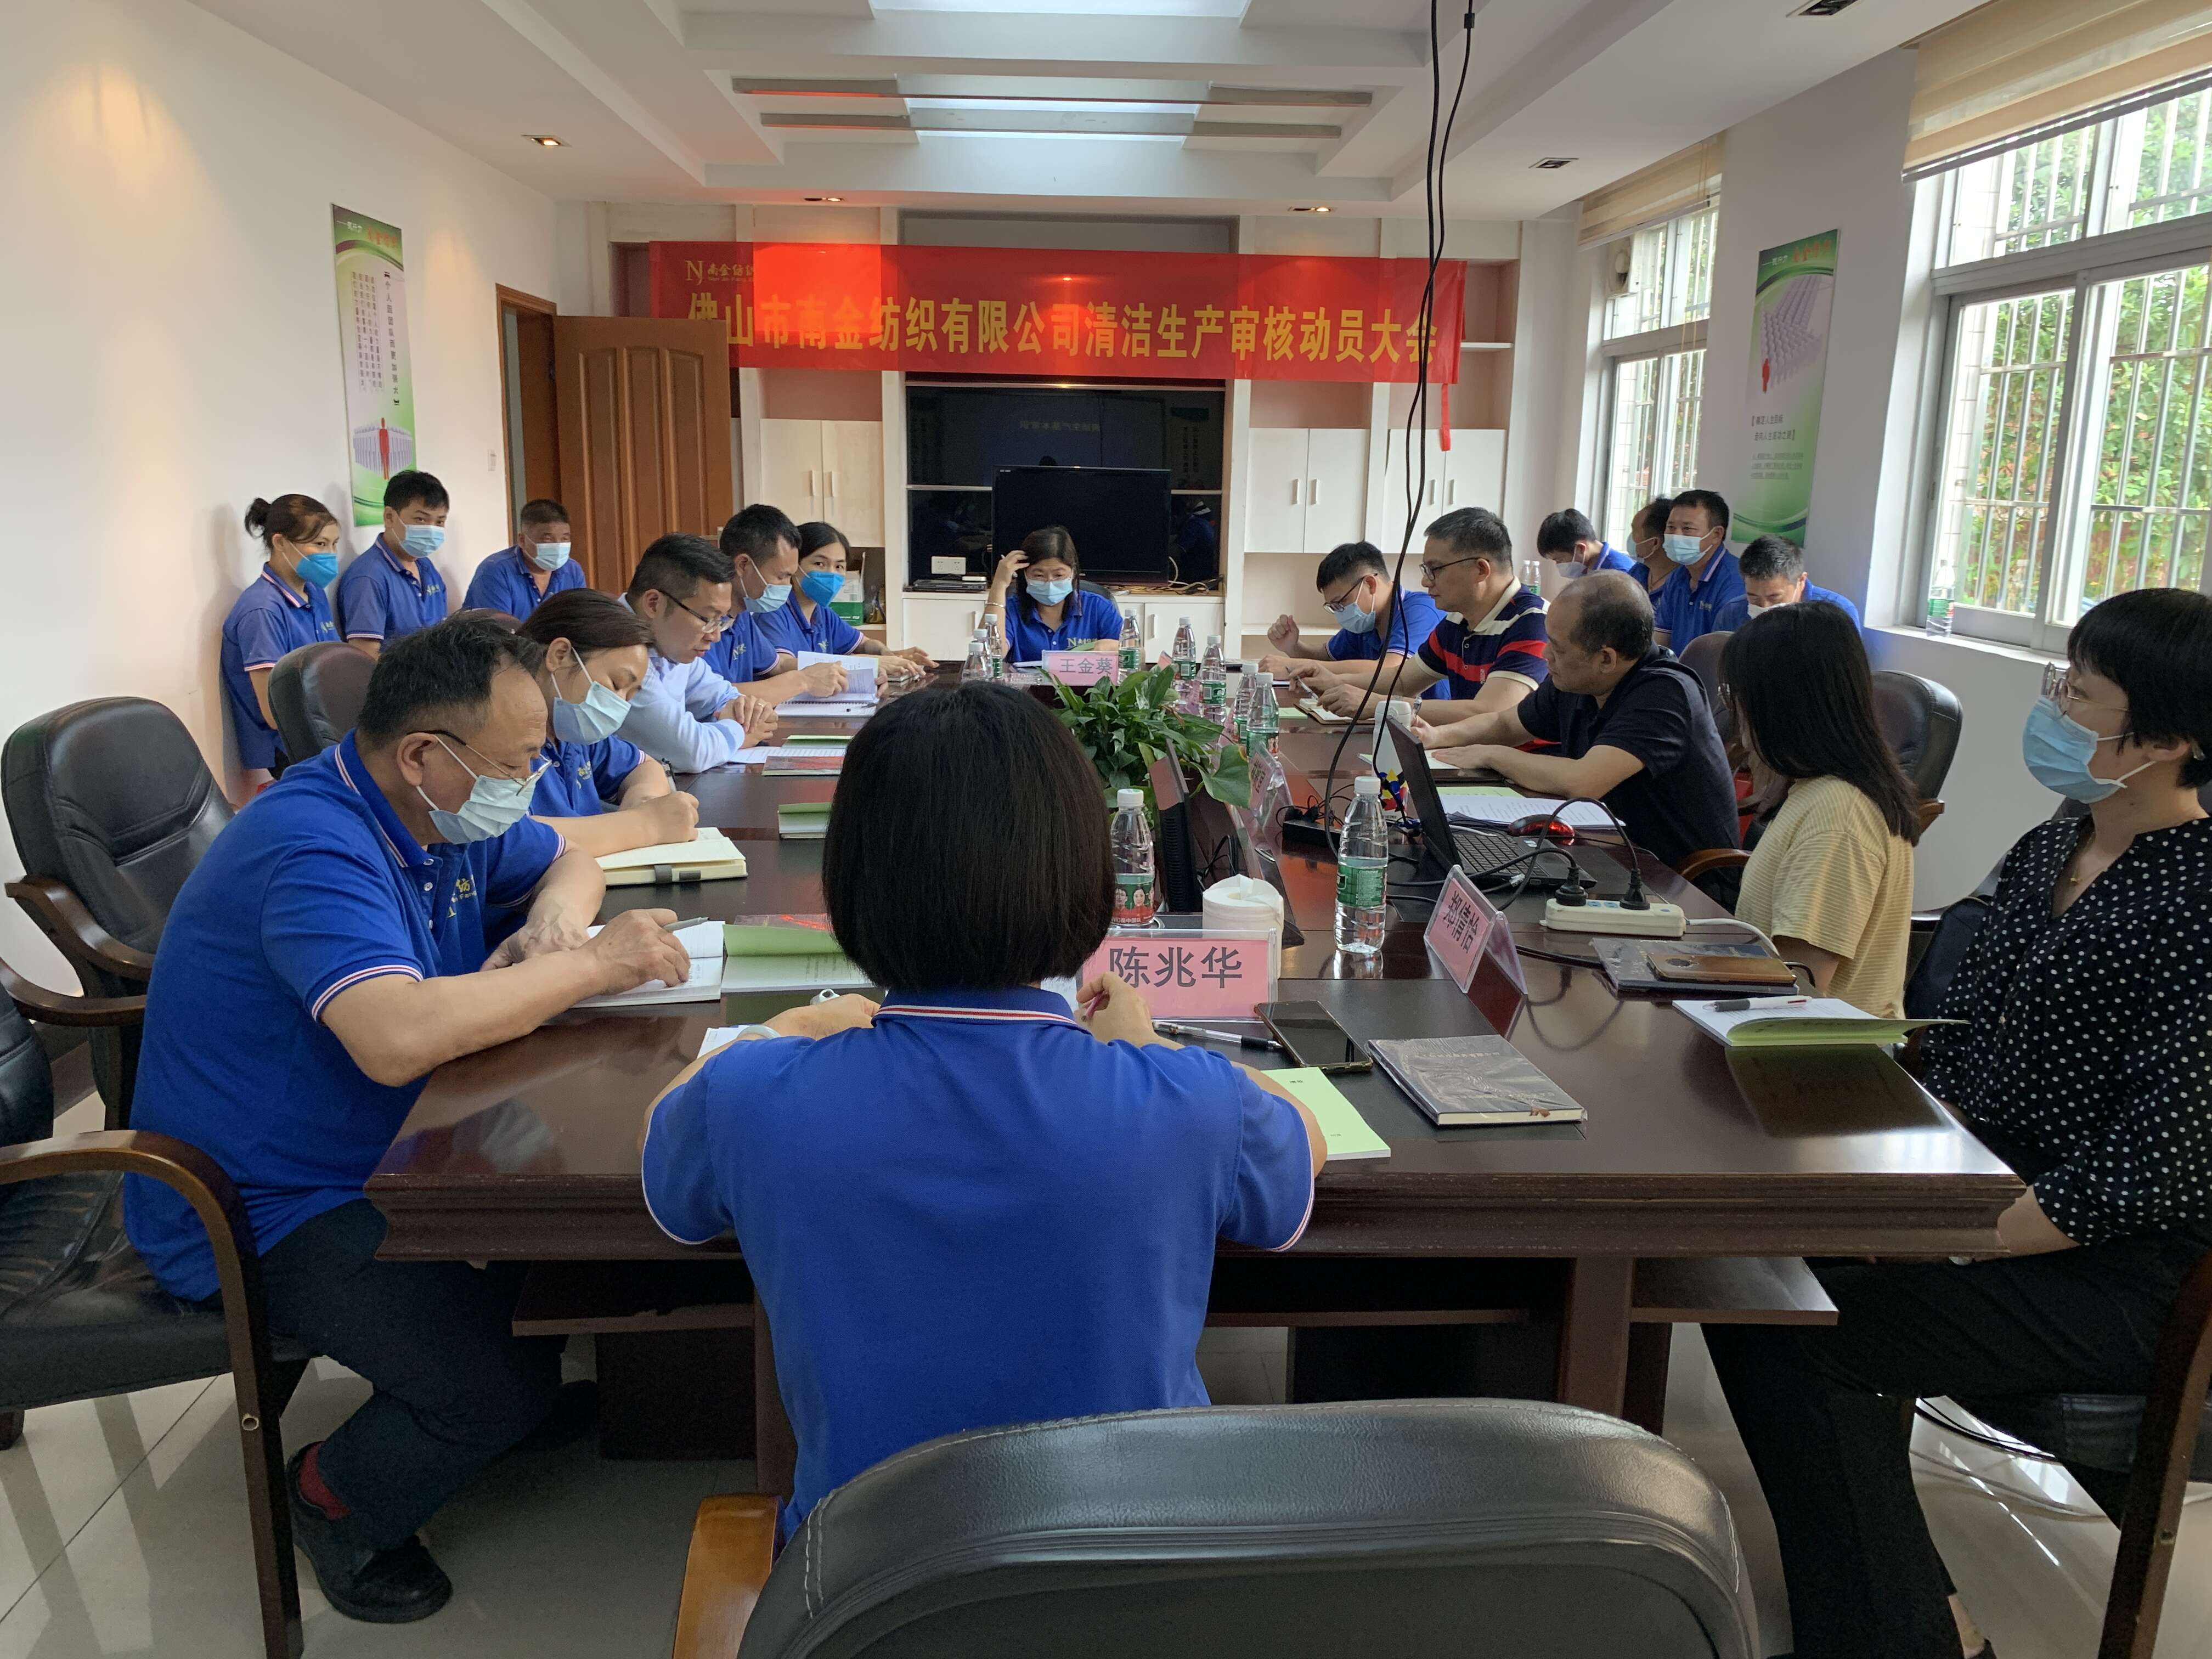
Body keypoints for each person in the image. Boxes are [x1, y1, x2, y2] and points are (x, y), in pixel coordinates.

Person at [637, 682, 1324, 1537]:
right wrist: (1150, 1043)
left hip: (867, 1589)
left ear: (848, 887)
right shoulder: (1186, 1102)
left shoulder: (755, 1097)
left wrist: (790, 1025)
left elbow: (663, 1138)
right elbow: (1306, 1139)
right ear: (1085, 880)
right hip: (1138, 1580)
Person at [123, 616, 695, 1624]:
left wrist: (554, 925)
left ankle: (495, 1389)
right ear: (423, 754)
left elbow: (567, 858)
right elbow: (394, 1037)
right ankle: (333, 1500)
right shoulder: (313, 845)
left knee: (555, 1276)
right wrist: (590, 967)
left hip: (394, 1141)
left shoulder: (431, 812)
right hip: (260, 1197)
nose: (531, 780)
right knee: (494, 1385)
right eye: (515, 765)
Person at [1705, 586, 2212, 1659]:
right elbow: (1965, 1044)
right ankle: (1909, 1610)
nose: (2052, 705)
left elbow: (2156, 1166)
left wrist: (1953, 1232)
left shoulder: (2195, 903)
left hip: (2119, 1268)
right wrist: (1891, 1185)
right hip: (1990, 1195)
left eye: (2079, 692)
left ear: (2166, 740)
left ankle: (1906, 1637)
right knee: (1753, 1278)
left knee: (1803, 1335)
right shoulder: (2051, 847)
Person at [1418, 571, 1737, 875]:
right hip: (1605, 852)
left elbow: (1584, 781)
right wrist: (1436, 736)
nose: (1546, 654)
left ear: (1606, 659)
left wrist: (1492, 755)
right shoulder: (1579, 680)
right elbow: (1506, 724)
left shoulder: (1665, 693)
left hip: (1678, 879)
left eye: (1557, 647)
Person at [1721, 602, 1918, 1017]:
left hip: (1818, 1048)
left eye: (1736, 696)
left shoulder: (1839, 815)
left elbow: (1797, 991)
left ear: (1779, 705)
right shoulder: (1816, 789)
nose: (1736, 713)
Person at [1304, 508, 1547, 724]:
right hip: (1469, 752)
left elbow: (1490, 712)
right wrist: (1335, 682)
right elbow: (1402, 681)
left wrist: (1380, 706)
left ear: (1480, 570)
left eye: (1435, 570)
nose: (1425, 581)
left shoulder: (1533, 622)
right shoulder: (1456, 622)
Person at [512, 588, 700, 858]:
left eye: (630, 695)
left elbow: (643, 766)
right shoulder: (499, 736)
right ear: (560, 655)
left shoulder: (570, 731)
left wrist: (643, 802)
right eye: (617, 684)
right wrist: (643, 825)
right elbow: (510, 839)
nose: (620, 703)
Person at [617, 534, 782, 774]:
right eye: (708, 619)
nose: (715, 636)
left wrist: (749, 712)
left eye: (721, 621)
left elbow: (724, 696)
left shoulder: (672, 644)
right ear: (654, 604)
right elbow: (690, 752)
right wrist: (741, 732)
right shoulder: (617, 650)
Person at [221, 494, 341, 794]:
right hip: (290, 747)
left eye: (334, 544)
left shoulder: (314, 593)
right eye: (320, 544)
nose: (330, 555)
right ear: (281, 543)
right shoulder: (262, 610)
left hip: (328, 728)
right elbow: (274, 713)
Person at [1259, 540, 1445, 692]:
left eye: (1341, 602)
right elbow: (1328, 658)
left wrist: (1293, 666)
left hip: (1426, 722)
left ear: (1370, 584)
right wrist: (1294, 647)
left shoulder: (1421, 610)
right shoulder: (1367, 621)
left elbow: (1391, 670)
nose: (1340, 612)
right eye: (1333, 607)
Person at [770, 520, 934, 674]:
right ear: (793, 564)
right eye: (820, 564)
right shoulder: (773, 610)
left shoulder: (823, 614)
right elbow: (782, 665)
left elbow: (864, 644)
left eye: (839, 566)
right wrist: (865, 663)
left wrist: (887, 654)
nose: (831, 573)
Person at [336, 470, 452, 657]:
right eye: (421, 519)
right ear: (390, 517)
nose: (431, 530)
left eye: (439, 522)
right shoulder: (368, 578)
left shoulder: (426, 566)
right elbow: (366, 658)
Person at [983, 525, 1125, 661]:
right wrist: (999, 585)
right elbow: (990, 654)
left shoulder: (1098, 607)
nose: (1049, 583)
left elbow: (1134, 653)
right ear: (1025, 574)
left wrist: (1114, 647)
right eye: (1039, 575)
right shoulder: (1011, 609)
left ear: (1073, 572)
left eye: (1059, 575)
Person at [702, 503, 801, 691]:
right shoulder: (703, 620)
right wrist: (802, 681)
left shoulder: (742, 616)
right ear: (743, 565)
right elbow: (715, 697)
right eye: (781, 576)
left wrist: (832, 669)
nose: (787, 586)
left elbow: (778, 665)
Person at [461, 497, 585, 619]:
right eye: (547, 539)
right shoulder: (496, 571)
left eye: (565, 539)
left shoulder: (573, 571)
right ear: (522, 540)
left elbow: (581, 621)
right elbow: (496, 630)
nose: (557, 546)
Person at [1649, 487, 1742, 650]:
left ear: (1716, 534)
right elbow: (1660, 642)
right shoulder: (1678, 576)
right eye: (1671, 527)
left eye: (1687, 529)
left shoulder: (1735, 583)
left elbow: (1723, 654)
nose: (1676, 535)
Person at [1713, 534, 1862, 631]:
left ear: (1801, 582)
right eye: (1754, 597)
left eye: (1774, 597)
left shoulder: (1837, 614)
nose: (1764, 607)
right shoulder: (1732, 614)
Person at [1534, 508, 1639, 579]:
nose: (1558, 565)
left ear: (1581, 548)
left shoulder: (1618, 575)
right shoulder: (1587, 568)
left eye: (1559, 560)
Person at [1626, 495, 1674, 594]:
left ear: (1655, 543)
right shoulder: (1639, 571)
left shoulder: (1682, 584)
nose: (1630, 537)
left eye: (1634, 531)